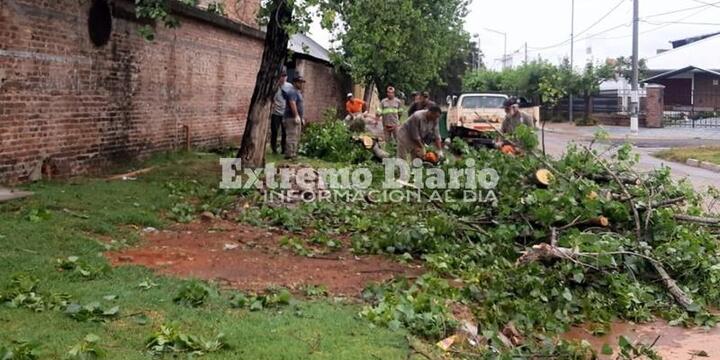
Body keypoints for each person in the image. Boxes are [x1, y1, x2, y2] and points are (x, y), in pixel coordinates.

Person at [283, 75, 306, 159]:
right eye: (300, 82)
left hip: (297, 118)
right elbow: (292, 103)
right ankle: (289, 154)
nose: (301, 84)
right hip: (291, 118)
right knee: (291, 136)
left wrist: (301, 117)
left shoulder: (298, 92)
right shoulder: (292, 91)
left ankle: (294, 153)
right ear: (295, 83)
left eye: (302, 83)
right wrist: (296, 115)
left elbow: (300, 105)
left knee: (296, 136)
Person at [270, 71, 293, 154]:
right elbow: (271, 98)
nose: (283, 78)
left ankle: (283, 149)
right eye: (282, 76)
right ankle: (274, 149)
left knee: (285, 132)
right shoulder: (274, 86)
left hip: (285, 113)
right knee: (274, 131)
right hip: (275, 112)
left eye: (285, 76)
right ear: (279, 77)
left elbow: (292, 98)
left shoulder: (289, 86)